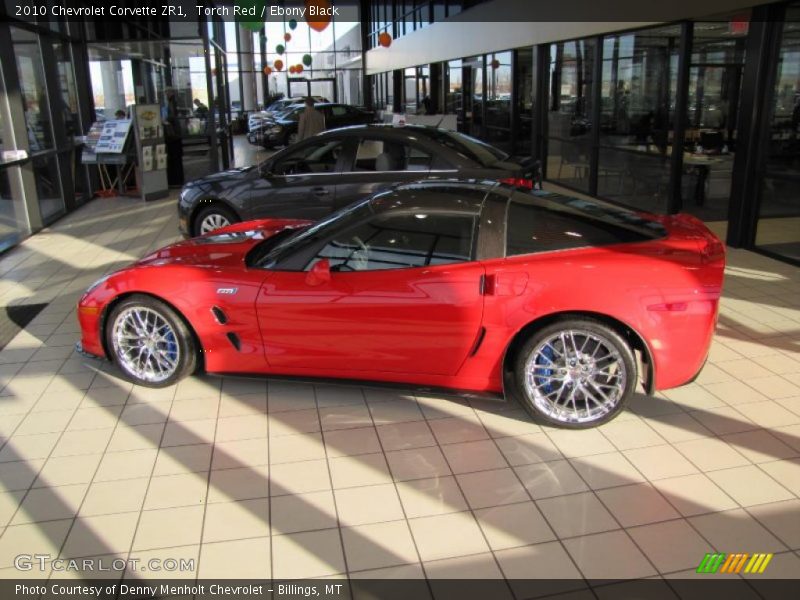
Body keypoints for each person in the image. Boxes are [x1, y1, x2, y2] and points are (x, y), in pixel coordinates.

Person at [163, 88, 184, 187]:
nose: (165, 94)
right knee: (177, 159)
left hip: (173, 136)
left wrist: (165, 120)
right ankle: (178, 179)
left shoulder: (172, 103)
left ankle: (176, 180)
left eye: (166, 92)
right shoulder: (177, 101)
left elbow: (172, 117)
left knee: (174, 159)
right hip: (177, 135)